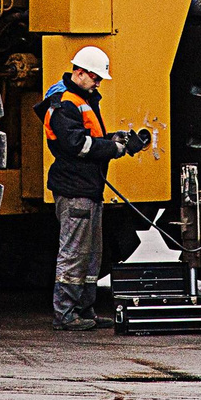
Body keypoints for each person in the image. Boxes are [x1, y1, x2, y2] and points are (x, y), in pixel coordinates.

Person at [33, 44, 152, 329]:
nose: (98, 82)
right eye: (96, 77)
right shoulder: (64, 103)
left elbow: (90, 138)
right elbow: (77, 144)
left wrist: (117, 139)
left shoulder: (81, 100)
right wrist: (114, 148)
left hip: (89, 189)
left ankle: (84, 311)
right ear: (79, 72)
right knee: (74, 254)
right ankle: (65, 314)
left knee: (91, 255)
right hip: (75, 190)